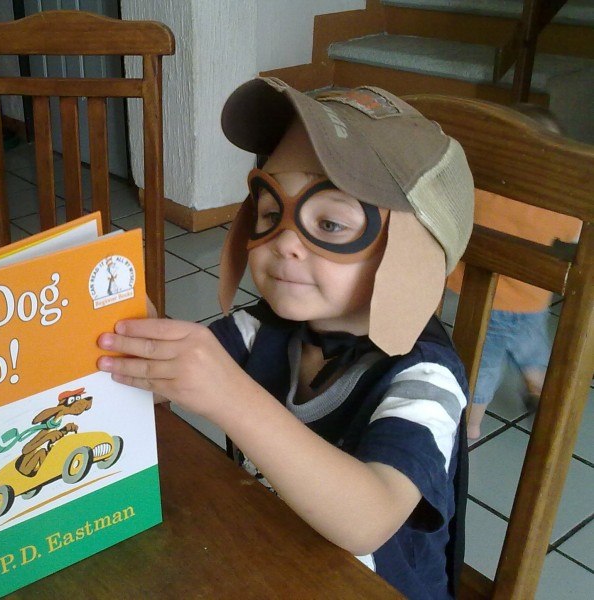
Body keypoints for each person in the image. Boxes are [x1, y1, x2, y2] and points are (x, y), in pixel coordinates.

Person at [97, 78, 475, 598]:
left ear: (412, 253)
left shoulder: (425, 377)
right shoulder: (261, 330)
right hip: (265, 556)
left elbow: (371, 516)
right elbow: (162, 384)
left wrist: (231, 395)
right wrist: (133, 330)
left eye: (332, 223)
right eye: (272, 212)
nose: (286, 243)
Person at [446, 104, 581, 441]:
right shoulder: (559, 206)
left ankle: (471, 426)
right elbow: (575, 239)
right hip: (534, 300)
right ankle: (538, 389)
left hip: (488, 302)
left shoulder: (481, 192)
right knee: (531, 349)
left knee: (481, 365)